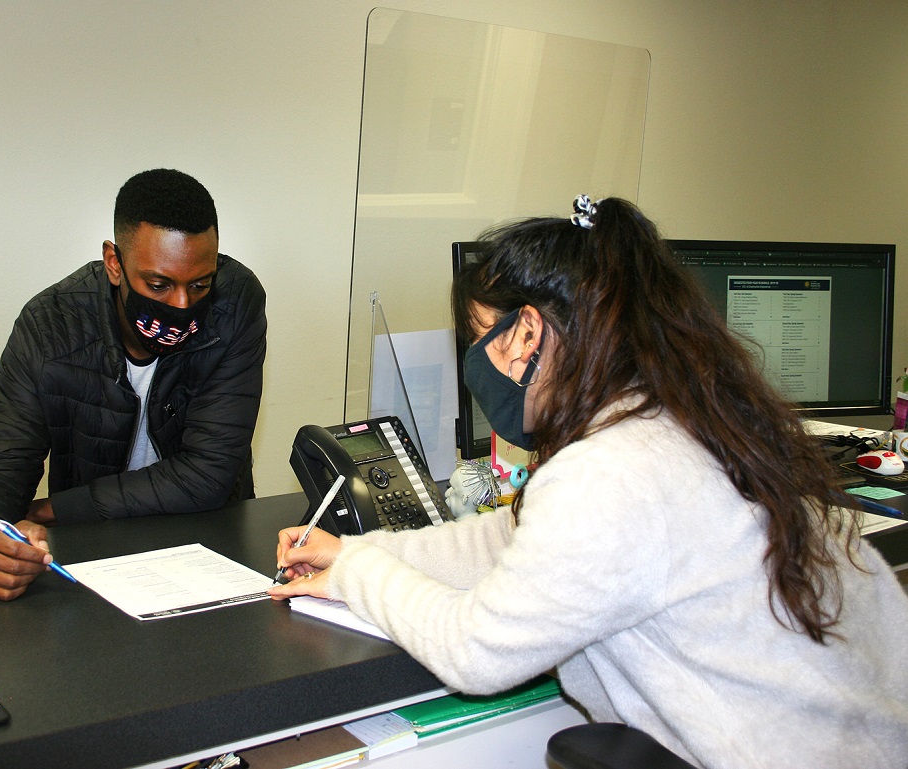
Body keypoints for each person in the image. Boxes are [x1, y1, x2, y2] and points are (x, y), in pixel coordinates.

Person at [270, 197, 908, 768]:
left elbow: (475, 650)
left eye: (475, 337)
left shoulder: (610, 471)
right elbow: (523, 538)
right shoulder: (681, 419)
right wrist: (357, 551)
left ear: (526, 333)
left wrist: (360, 578)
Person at [0, 169, 267, 601]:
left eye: (199, 284)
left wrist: (56, 510)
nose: (182, 304)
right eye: (158, 284)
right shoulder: (50, 327)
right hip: (92, 557)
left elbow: (207, 473)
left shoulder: (236, 304)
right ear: (115, 264)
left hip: (211, 549)